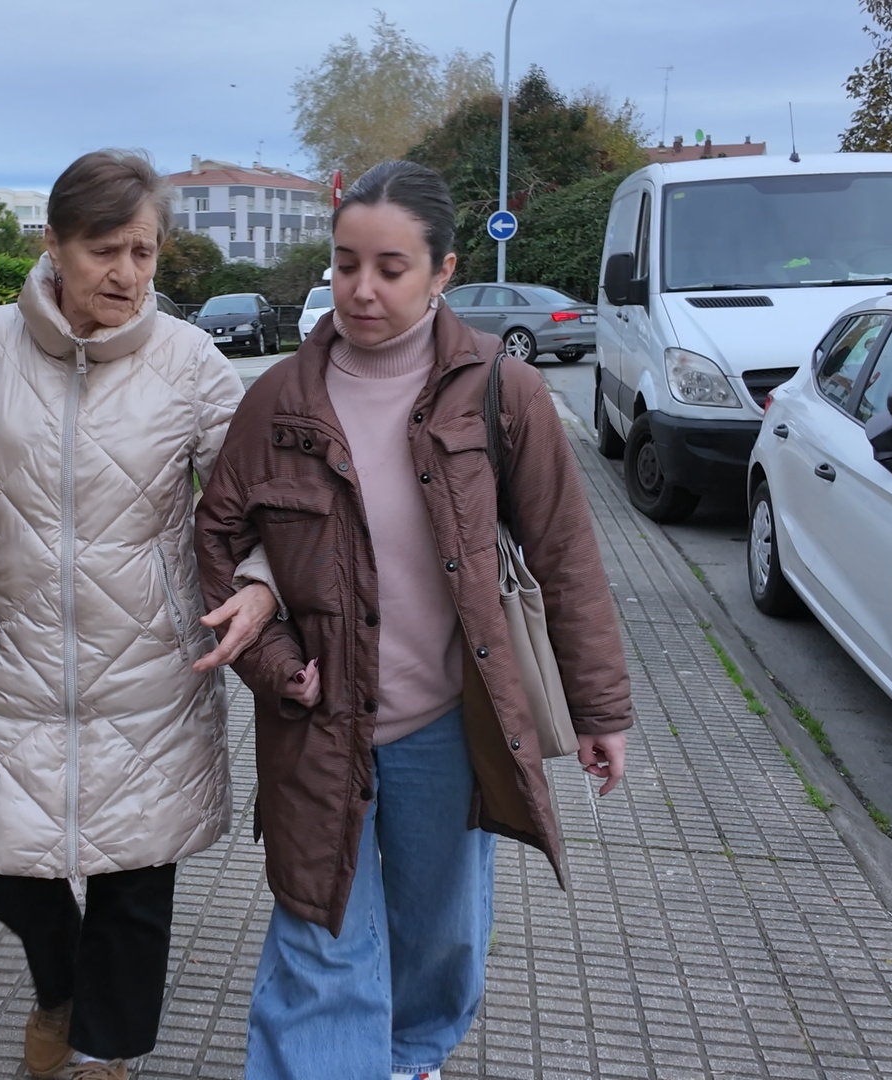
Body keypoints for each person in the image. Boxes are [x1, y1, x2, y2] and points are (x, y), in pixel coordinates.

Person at [0, 149, 278, 1080]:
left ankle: (104, 1054)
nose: (125, 274)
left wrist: (265, 581)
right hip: (9, 663)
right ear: (54, 246)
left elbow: (261, 495)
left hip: (153, 666)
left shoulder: (190, 363)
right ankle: (62, 990)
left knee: (136, 886)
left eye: (144, 253)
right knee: (7, 865)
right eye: (105, 249)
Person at [193, 160, 636, 1080]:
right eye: (346, 263)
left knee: (441, 933)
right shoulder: (280, 402)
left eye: (390, 267)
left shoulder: (501, 395)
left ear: (442, 271)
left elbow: (565, 556)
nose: (361, 289)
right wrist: (272, 660)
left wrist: (601, 711)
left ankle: (410, 1055)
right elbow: (215, 542)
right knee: (321, 939)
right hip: (319, 718)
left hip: (446, 718)